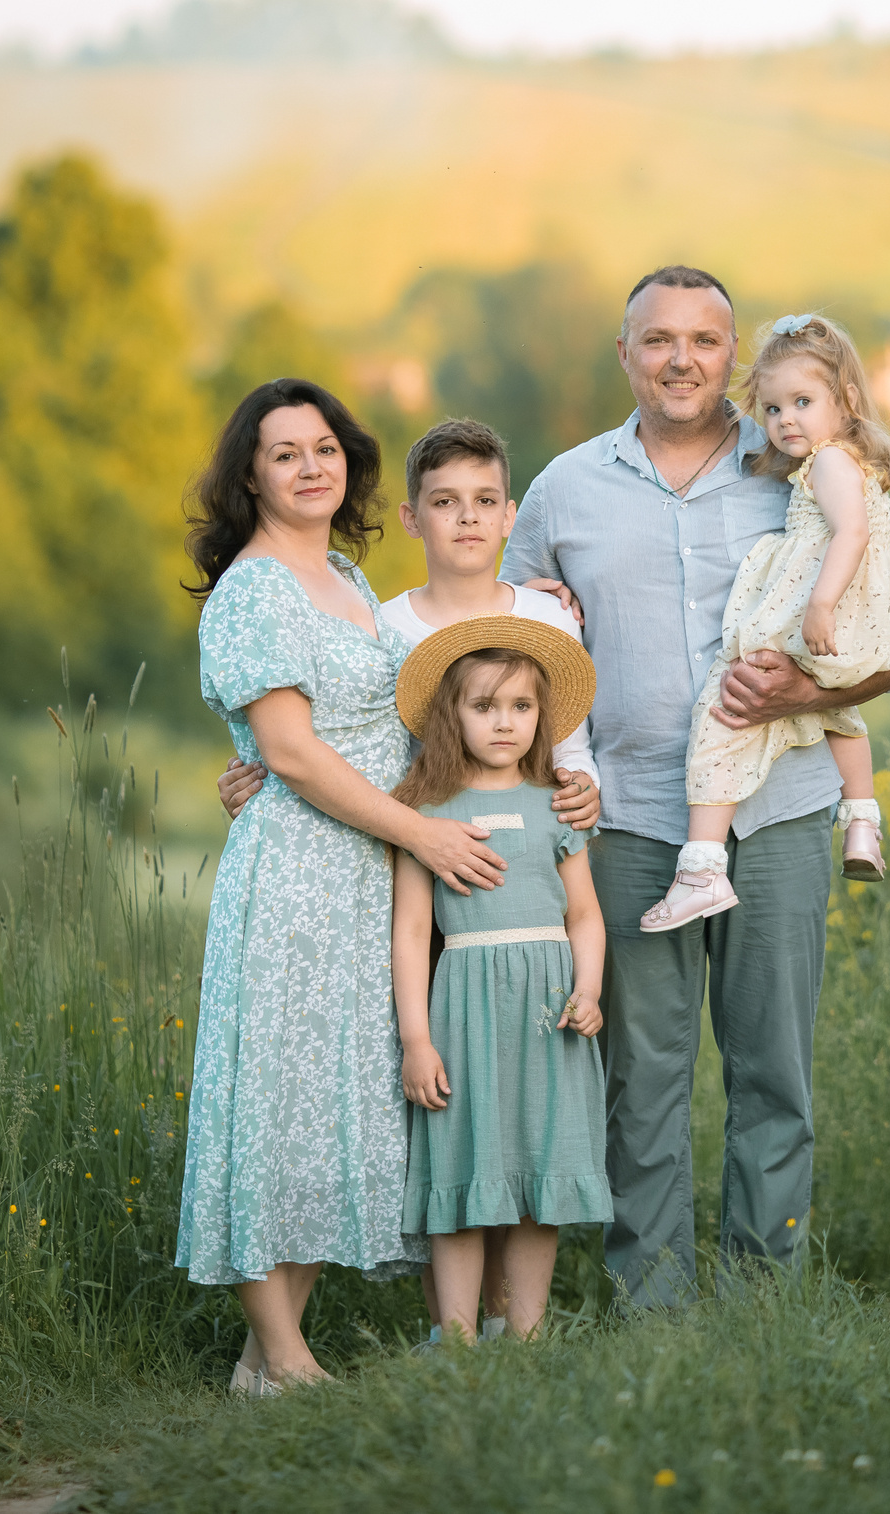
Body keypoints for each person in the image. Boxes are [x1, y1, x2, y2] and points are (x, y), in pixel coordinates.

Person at [499, 265, 890, 1307]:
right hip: (631, 819)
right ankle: (652, 1311)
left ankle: (761, 1305)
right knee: (637, 1082)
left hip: (779, 813)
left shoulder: (799, 458)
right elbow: (499, 646)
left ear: (731, 356)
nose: (680, 358)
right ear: (625, 354)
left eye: (702, 339)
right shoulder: (564, 489)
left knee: (773, 1074)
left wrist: (794, 692)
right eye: (657, 339)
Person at [217, 416, 600, 1344]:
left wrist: (579, 790)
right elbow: (330, 731)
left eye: (483, 504)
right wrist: (256, 775)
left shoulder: (540, 618)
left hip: (516, 887)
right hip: (406, 873)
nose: (465, 521)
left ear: (507, 515)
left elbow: (564, 743)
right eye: (444, 504)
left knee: (519, 1097)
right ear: (410, 516)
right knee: (444, 1095)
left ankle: (514, 1318)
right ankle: (452, 1322)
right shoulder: (385, 620)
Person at [175, 377, 517, 1397]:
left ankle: (261, 1361)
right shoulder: (253, 589)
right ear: (249, 475)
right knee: (273, 1098)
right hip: (296, 874)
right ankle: (282, 1353)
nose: (311, 465)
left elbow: (392, 712)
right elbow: (289, 748)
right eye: (285, 453)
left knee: (337, 1103)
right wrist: (416, 828)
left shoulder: (346, 575)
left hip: (368, 873)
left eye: (324, 447)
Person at [641, 313, 890, 931]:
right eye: (771, 409)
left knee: (724, 710)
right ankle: (862, 823)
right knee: (833, 710)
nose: (785, 420)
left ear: (845, 400)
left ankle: (702, 869)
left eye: (801, 402)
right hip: (858, 613)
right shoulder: (849, 461)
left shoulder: (828, 463)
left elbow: (852, 532)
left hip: (821, 605)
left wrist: (818, 604)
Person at [389, 616, 612, 1344]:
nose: (505, 722)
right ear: (452, 715)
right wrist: (417, 1041)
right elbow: (414, 933)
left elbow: (584, 914)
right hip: (464, 1007)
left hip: (548, 1009)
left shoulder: (557, 802)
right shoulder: (426, 811)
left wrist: (589, 989)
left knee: (537, 1179)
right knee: (462, 1170)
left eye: (521, 706)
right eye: (484, 707)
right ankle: (454, 1338)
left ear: (541, 714)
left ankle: (526, 1334)